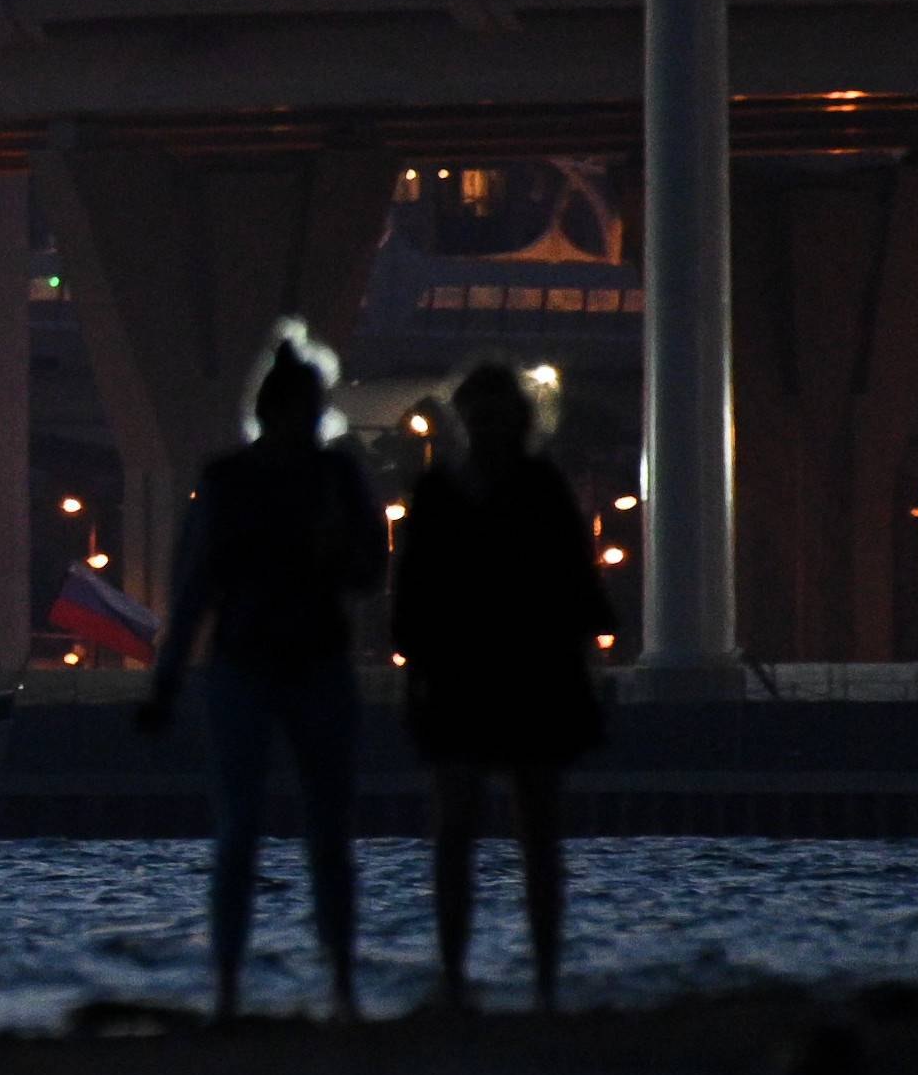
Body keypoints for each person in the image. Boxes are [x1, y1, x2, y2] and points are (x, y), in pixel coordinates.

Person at [142, 334, 387, 1021]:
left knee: (253, 830)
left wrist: (166, 680)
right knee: (304, 832)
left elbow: (191, 587)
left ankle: (236, 986)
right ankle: (330, 984)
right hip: (294, 663)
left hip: (258, 663)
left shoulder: (233, 479)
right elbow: (370, 573)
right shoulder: (330, 478)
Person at [386, 360, 612, 1013]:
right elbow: (576, 590)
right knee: (512, 831)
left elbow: (414, 593)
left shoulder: (446, 491)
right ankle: (528, 980)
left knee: (483, 831)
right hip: (519, 673)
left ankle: (472, 976)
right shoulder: (536, 487)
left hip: (484, 674)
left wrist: (413, 670)